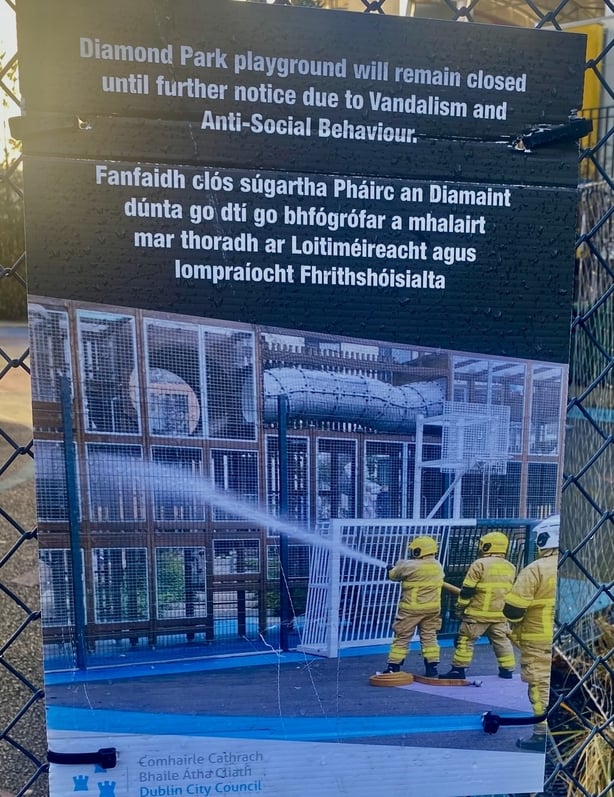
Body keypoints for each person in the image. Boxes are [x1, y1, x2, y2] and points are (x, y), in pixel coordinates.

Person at [503, 515, 559, 751]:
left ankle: (541, 736)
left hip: (539, 644)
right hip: (573, 644)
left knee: (540, 688)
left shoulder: (535, 569)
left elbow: (514, 610)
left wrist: (514, 625)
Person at [440, 531, 516, 680]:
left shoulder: (479, 564)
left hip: (477, 613)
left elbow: (467, 590)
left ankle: (458, 669)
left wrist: (460, 607)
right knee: (502, 641)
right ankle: (507, 670)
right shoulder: (510, 567)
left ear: (487, 546)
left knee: (466, 640)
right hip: (500, 614)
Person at [384, 535, 444, 677]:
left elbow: (393, 576)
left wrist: (392, 568)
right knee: (429, 637)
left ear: (418, 550)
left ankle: (394, 666)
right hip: (432, 609)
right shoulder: (437, 565)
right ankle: (432, 667)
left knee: (402, 637)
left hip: (411, 609)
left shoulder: (409, 565)